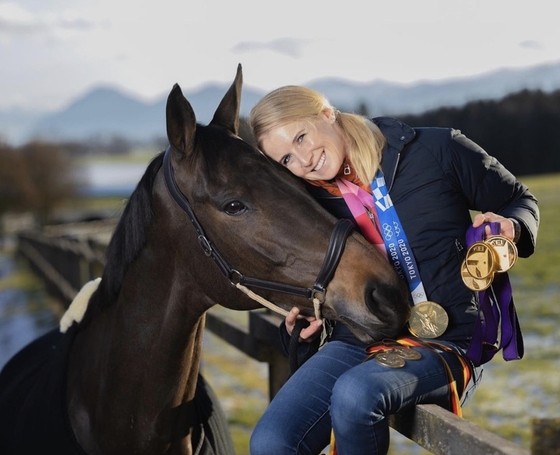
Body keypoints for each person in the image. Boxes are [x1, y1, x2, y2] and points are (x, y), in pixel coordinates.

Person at [247, 85, 539, 455]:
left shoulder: (436, 149)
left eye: (301, 138)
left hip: (448, 335)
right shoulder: (309, 204)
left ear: (326, 113)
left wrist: (513, 226)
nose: (303, 161)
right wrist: (305, 331)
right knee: (270, 442)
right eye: (286, 159)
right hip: (359, 338)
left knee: (356, 394)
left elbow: (520, 200)